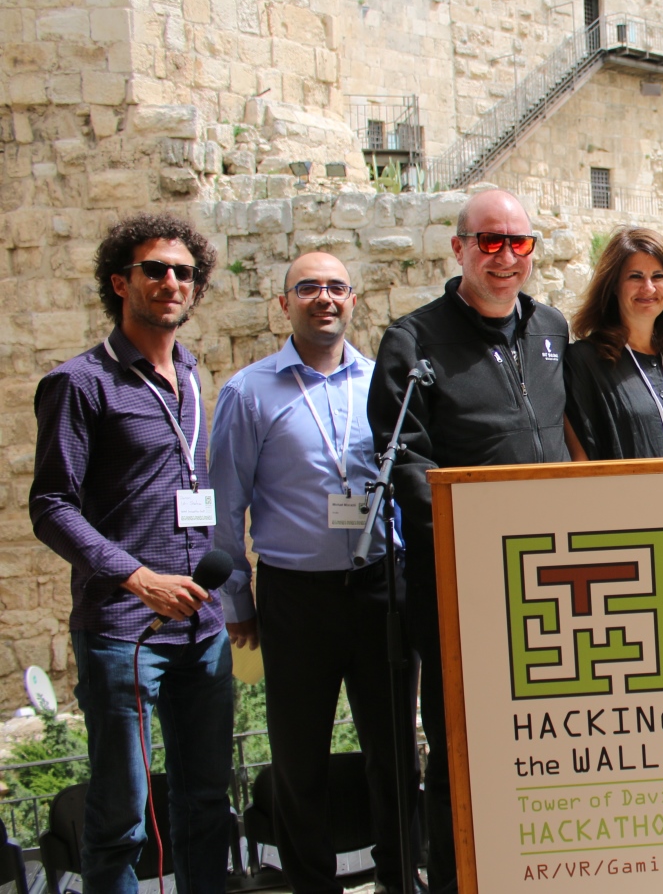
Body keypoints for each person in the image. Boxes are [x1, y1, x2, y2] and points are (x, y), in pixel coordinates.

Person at [369, 189, 578, 894]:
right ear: (458, 247)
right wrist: (475, 544)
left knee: (547, 740)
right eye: (490, 241)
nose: (505, 256)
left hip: (551, 583)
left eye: (519, 243)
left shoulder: (551, 327)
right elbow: (405, 461)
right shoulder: (412, 342)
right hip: (462, 586)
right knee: (462, 749)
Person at [31, 214, 233, 894]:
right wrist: (138, 578)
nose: (171, 282)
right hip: (125, 632)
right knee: (121, 818)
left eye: (184, 272)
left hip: (202, 627)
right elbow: (50, 506)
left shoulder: (191, 372)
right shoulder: (80, 382)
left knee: (207, 804)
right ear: (120, 282)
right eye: (155, 269)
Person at [210, 252, 417, 893]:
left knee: (394, 754)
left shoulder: (382, 384)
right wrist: (236, 600)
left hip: (381, 589)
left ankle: (399, 880)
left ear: (353, 300)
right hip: (295, 597)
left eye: (335, 287)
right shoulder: (248, 393)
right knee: (298, 761)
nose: (323, 298)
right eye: (307, 288)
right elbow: (225, 506)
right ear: (284, 304)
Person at [564, 226, 663, 459]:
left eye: (658, 276)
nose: (648, 287)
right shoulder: (584, 361)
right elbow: (579, 458)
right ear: (614, 286)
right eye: (635, 276)